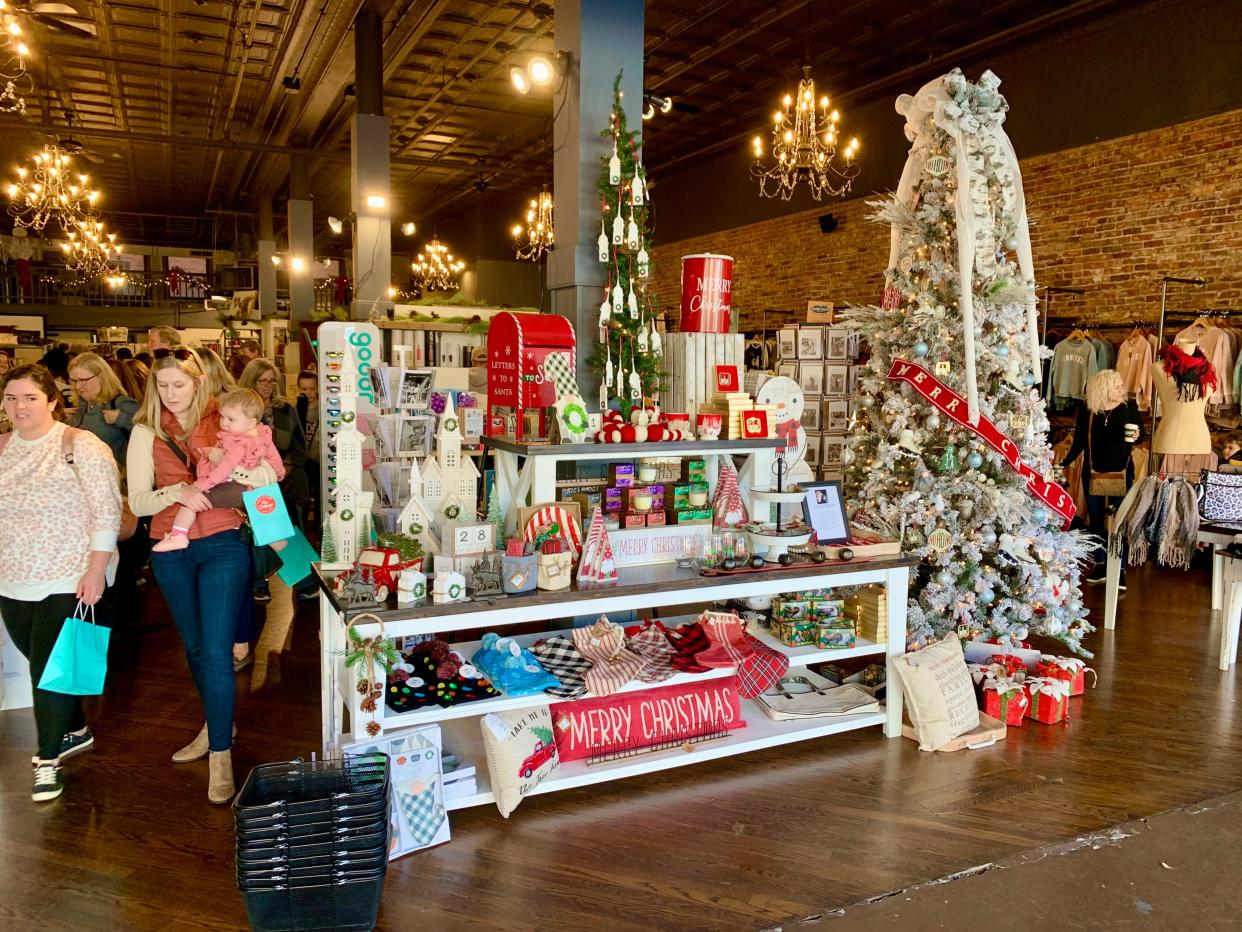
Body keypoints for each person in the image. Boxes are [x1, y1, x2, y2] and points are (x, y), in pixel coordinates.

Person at [127, 348, 276, 803]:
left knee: (215, 650)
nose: (171, 394)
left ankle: (220, 754)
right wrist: (179, 491)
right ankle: (216, 721)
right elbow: (137, 503)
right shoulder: (144, 432)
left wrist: (244, 473)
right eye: (163, 385)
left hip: (222, 544)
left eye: (179, 384)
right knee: (194, 646)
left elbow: (269, 474)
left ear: (197, 382)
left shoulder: (227, 419)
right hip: (171, 550)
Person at [0, 364, 121, 802]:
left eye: (30, 397)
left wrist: (95, 570)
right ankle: (74, 728)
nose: (19, 406)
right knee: (40, 658)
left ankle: (47, 760)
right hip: (12, 576)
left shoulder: (79, 445)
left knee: (44, 671)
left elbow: (107, 510)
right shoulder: (2, 448)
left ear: (52, 400)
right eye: (11, 397)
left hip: (68, 573)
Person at [152, 388, 286, 553]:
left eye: (231, 419)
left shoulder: (237, 442)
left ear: (250, 422)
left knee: (191, 503)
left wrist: (206, 483)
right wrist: (279, 473)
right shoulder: (262, 435)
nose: (224, 422)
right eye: (223, 417)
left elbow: (225, 467)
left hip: (234, 485)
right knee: (262, 507)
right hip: (254, 486)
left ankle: (178, 535)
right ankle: (276, 539)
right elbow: (274, 457)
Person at [1061, 369, 1143, 586]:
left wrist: (1136, 436)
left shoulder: (1129, 408)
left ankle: (1120, 568)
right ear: (1104, 388)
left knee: (1120, 523)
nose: (1122, 389)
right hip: (1093, 473)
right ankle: (1101, 564)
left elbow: (1140, 436)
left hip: (1121, 473)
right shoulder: (1088, 411)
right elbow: (1079, 441)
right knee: (1096, 522)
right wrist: (1063, 463)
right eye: (1117, 386)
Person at [239, 358, 309, 602]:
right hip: (253, 484)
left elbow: (300, 446)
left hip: (287, 484)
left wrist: (285, 468)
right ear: (251, 380)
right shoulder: (241, 411)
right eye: (263, 380)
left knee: (289, 533)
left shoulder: (285, 409)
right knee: (259, 535)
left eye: (272, 381)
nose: (268, 386)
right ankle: (260, 581)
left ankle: (304, 580)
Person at [67, 352, 140, 466]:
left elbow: (150, 434)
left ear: (101, 377)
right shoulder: (81, 408)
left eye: (83, 380)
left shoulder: (121, 403)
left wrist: (122, 419)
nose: (77, 386)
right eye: (74, 381)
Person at [295, 370, 320, 525]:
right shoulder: (297, 409)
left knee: (319, 496)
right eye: (304, 389)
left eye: (312, 388)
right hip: (302, 461)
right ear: (299, 389)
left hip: (318, 460)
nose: (308, 392)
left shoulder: (322, 410)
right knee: (302, 498)